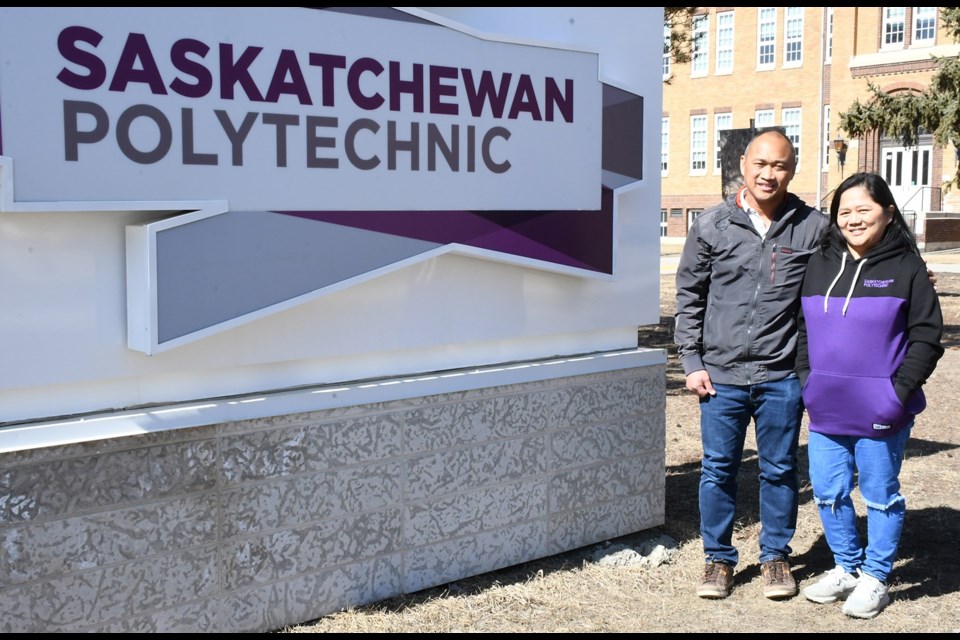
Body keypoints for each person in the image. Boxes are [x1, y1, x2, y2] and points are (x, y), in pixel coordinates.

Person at [674, 128, 829, 600]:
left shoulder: (814, 227)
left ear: (792, 169)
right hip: (720, 376)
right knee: (719, 469)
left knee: (779, 469)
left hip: (781, 375)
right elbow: (689, 295)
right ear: (744, 164)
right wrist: (691, 361)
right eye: (761, 164)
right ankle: (717, 559)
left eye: (779, 165)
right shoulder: (712, 224)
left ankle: (776, 557)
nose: (769, 173)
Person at [795, 172, 943, 619]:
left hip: (882, 409)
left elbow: (926, 337)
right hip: (826, 405)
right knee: (828, 492)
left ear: (888, 212)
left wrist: (896, 394)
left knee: (879, 495)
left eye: (864, 209)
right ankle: (846, 567)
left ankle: (876, 577)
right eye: (845, 211)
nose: (854, 219)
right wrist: (809, 381)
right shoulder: (820, 263)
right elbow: (803, 329)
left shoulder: (907, 268)